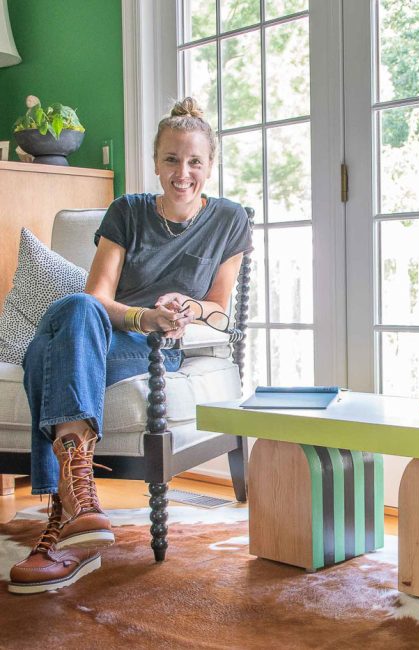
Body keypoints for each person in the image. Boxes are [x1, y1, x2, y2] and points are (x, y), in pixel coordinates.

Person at [8, 97, 252, 594]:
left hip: (157, 348)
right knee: (75, 310)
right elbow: (98, 300)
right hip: (110, 330)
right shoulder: (127, 211)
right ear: (156, 161)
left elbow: (220, 309)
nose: (182, 172)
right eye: (171, 159)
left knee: (47, 350)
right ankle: (80, 506)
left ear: (210, 165)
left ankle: (63, 519)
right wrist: (143, 315)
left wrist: (187, 306)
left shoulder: (229, 220)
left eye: (194, 161)